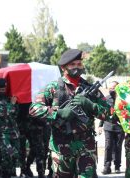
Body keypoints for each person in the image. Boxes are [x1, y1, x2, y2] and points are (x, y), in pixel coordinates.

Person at [29, 49, 111, 178]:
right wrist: (58, 113)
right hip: (61, 148)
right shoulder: (54, 87)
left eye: (79, 64)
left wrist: (91, 105)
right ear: (63, 67)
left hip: (86, 147)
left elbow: (109, 113)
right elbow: (34, 109)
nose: (77, 67)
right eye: (73, 64)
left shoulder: (89, 88)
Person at [0, 78, 20, 178]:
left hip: (14, 130)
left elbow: (15, 114)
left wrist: (15, 104)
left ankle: (10, 172)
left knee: (15, 154)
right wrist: (12, 104)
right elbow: (2, 113)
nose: (2, 92)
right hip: (2, 132)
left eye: (3, 89)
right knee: (8, 152)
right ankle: (5, 174)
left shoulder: (8, 98)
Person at [98, 81, 125, 174]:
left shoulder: (122, 99)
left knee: (118, 147)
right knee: (108, 146)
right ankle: (107, 166)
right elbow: (103, 112)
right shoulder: (106, 99)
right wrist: (100, 125)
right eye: (110, 88)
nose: (111, 90)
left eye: (113, 88)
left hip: (120, 127)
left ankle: (117, 166)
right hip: (108, 126)